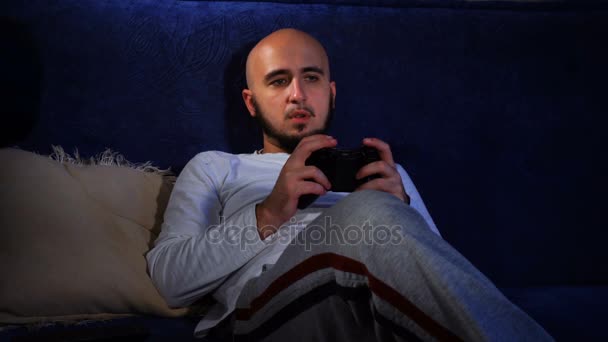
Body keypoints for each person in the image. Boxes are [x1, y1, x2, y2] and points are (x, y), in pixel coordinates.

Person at [146, 28, 553, 341]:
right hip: (263, 316)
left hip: (368, 306)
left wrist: (403, 208)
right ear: (251, 102)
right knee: (368, 213)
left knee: (377, 210)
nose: (298, 94)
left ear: (331, 92)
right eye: (278, 81)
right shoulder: (216, 167)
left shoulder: (381, 174)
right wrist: (269, 213)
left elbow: (438, 283)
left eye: (311, 78)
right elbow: (171, 280)